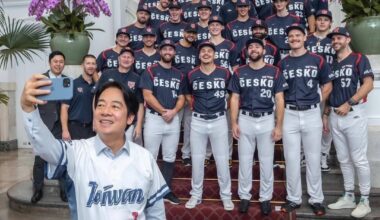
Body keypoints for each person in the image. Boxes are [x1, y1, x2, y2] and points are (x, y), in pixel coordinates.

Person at [21, 77, 169, 219]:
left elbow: (156, 214)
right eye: (100, 105)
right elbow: (45, 148)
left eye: (115, 106)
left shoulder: (145, 158)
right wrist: (28, 108)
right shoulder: (76, 152)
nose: (105, 111)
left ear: (130, 117)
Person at [278, 23, 334, 216]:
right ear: (288, 39)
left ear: (304, 38)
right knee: (291, 159)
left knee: (313, 158)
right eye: (291, 36)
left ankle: (316, 199)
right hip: (290, 114)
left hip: (311, 113)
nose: (294, 38)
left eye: (297, 35)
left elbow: (327, 84)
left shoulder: (317, 60)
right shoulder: (283, 63)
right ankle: (293, 199)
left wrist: (317, 99)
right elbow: (278, 92)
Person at [229, 38, 287, 215]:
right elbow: (234, 98)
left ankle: (265, 197)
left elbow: (279, 99)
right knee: (245, 161)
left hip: (267, 118)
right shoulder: (239, 72)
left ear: (264, 50)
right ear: (247, 51)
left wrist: (279, 126)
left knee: (266, 160)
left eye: (257, 46)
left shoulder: (275, 71)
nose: (253, 49)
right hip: (246, 118)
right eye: (250, 46)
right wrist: (234, 122)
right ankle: (244, 196)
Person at [325, 27, 374, 219]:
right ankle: (349, 196)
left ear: (348, 39)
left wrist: (349, 103)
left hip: (353, 113)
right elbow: (330, 90)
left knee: (359, 159)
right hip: (335, 115)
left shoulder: (359, 58)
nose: (335, 40)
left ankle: (365, 200)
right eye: (333, 38)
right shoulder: (332, 64)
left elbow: (368, 84)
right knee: (343, 159)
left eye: (339, 37)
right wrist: (325, 113)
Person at [184, 41, 233, 211]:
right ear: (199, 55)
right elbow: (188, 95)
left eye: (209, 51)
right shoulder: (191, 74)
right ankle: (196, 194)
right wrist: (195, 105)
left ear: (214, 55)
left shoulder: (225, 73)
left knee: (221, 159)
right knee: (197, 159)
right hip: (198, 120)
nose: (206, 53)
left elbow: (232, 94)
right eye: (203, 51)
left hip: (219, 119)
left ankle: (226, 195)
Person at [139, 39, 187, 205]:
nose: (168, 51)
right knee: (150, 155)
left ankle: (166, 190)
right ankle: (149, 190)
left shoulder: (179, 74)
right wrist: (162, 111)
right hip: (154, 118)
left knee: (169, 156)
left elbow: (182, 97)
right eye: (165, 49)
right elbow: (147, 95)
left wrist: (173, 111)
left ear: (174, 53)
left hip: (172, 119)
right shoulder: (150, 71)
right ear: (160, 51)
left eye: (170, 49)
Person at [60, 54, 97, 220]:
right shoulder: (73, 84)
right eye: (88, 63)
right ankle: (72, 199)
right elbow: (64, 109)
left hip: (92, 130)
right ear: (83, 64)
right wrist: (65, 130)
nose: (90, 66)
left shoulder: (98, 85)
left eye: (93, 63)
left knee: (90, 165)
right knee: (74, 166)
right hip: (75, 129)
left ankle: (88, 196)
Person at [30, 51, 68, 205]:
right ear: (50, 63)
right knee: (39, 159)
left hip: (61, 125)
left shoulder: (67, 81)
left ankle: (64, 190)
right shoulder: (40, 80)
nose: (58, 64)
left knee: (63, 159)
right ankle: (38, 190)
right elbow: (32, 102)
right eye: (55, 61)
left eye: (61, 61)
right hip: (43, 124)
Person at [305, 9, 336, 172]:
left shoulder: (335, 39)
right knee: (307, 122)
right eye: (319, 19)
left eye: (326, 19)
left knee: (326, 123)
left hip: (329, 84)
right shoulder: (307, 39)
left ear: (330, 22)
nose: (322, 22)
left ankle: (323, 155)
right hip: (310, 84)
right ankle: (306, 154)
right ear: (314, 22)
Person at [98, 49, 144, 146]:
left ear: (133, 61)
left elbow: (140, 103)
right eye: (124, 57)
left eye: (129, 57)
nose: (126, 59)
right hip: (108, 118)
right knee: (106, 147)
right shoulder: (107, 74)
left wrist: (139, 125)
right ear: (118, 59)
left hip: (128, 122)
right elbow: (96, 97)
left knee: (126, 150)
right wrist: (95, 119)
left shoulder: (137, 78)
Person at [173, 23, 199, 166]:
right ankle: (171, 151)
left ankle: (186, 154)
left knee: (189, 126)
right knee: (174, 125)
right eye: (189, 32)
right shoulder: (174, 48)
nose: (191, 35)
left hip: (190, 93)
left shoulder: (196, 51)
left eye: (194, 33)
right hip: (175, 94)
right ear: (183, 33)